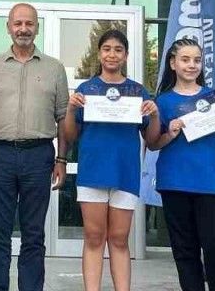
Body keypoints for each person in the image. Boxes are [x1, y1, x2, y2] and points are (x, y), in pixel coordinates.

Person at [0, 3, 69, 291]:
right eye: (18, 23)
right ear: (8, 27)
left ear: (37, 27)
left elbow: (63, 117)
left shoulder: (55, 68)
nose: (23, 29)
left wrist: (62, 159)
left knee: (34, 234)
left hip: (39, 156)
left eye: (29, 23)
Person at [60, 28, 157, 291]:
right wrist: (71, 108)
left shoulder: (137, 91)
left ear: (126, 55)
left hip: (125, 173)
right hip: (93, 172)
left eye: (118, 50)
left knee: (119, 239)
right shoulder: (86, 89)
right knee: (93, 237)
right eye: (106, 49)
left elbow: (151, 138)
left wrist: (155, 115)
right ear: (99, 53)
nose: (112, 54)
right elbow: (70, 135)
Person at [149, 37, 215, 291]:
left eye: (197, 60)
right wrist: (170, 132)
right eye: (185, 60)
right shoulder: (162, 101)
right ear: (173, 63)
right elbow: (153, 144)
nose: (192, 65)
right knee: (185, 250)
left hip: (210, 182)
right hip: (175, 182)